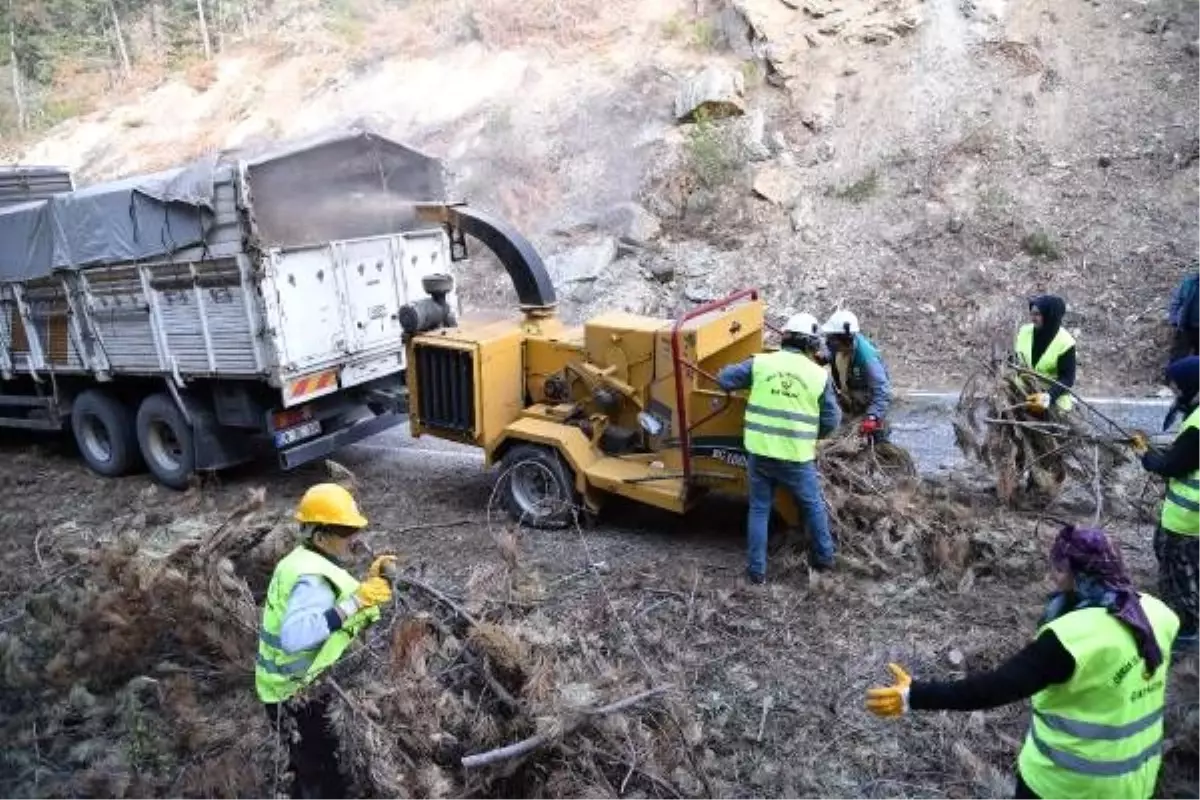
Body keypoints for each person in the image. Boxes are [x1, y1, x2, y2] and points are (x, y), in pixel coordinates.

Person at [866, 525, 1179, 800]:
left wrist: (914, 695)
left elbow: (993, 689)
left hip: (1067, 787)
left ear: (1079, 575)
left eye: (1058, 569)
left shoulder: (1070, 639)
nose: (1052, 577)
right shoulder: (1160, 613)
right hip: (1137, 782)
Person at [256, 483, 398, 800]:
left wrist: (367, 584)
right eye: (346, 532)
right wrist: (357, 602)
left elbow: (332, 596)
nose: (354, 538)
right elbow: (296, 637)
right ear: (321, 536)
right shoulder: (312, 579)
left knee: (311, 761)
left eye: (354, 529)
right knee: (320, 770)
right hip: (294, 693)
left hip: (289, 687)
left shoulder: (304, 560)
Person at [717, 312, 841, 582]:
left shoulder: (761, 363)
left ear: (784, 338)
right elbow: (832, 420)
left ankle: (756, 573)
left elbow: (725, 379)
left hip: (760, 452)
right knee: (813, 506)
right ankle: (825, 559)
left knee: (759, 509)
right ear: (811, 345)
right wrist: (810, 434)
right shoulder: (818, 376)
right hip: (796, 457)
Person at [1138, 354, 1200, 654]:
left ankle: (1186, 634)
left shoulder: (1199, 424)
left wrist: (1148, 456)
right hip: (1191, 518)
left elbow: (1174, 465)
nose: (1176, 393)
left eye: (1178, 387)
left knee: (1177, 568)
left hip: (1188, 517)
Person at [820, 309, 892, 440]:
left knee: (871, 442)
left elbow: (882, 391)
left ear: (845, 338)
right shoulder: (838, 349)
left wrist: (873, 417)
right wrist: (821, 358)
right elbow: (831, 354)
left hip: (866, 408)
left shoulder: (867, 358)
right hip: (849, 403)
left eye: (832, 338)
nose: (828, 341)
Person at [1014, 295, 1077, 415]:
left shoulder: (1065, 342)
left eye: (1037, 314)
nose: (1033, 318)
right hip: (1023, 395)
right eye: (1032, 314)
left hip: (1053, 403)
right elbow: (1017, 358)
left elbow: (1067, 379)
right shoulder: (1024, 331)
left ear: (1050, 316)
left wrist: (1048, 397)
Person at [1167, 267, 1200, 366]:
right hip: (1185, 327)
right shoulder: (1188, 283)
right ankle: (1170, 379)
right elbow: (1176, 301)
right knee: (1177, 357)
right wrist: (1174, 319)